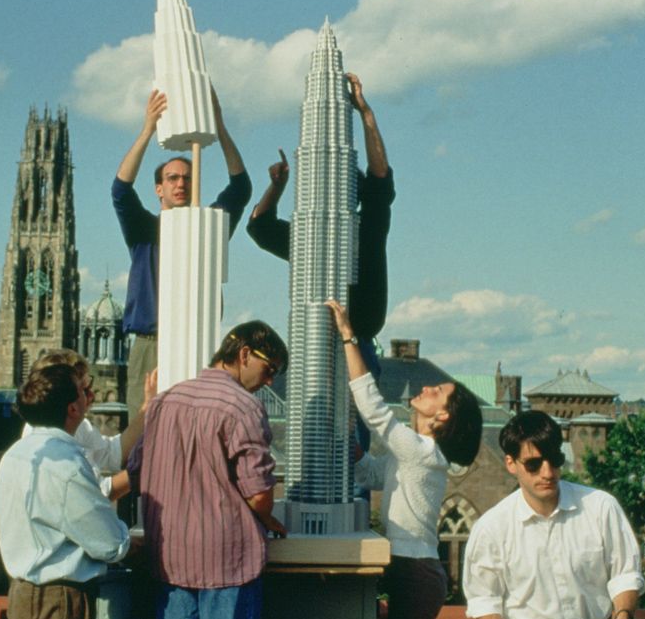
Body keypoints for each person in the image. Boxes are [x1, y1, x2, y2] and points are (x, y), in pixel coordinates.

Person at [327, 299, 482, 619]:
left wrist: (346, 336)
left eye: (439, 392)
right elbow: (371, 474)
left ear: (443, 416)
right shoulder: (416, 454)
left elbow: (375, 412)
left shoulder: (422, 452)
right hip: (410, 572)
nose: (427, 388)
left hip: (413, 573)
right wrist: (348, 444)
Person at [137, 321, 288, 619]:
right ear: (244, 355)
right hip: (226, 561)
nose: (269, 380)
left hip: (170, 556)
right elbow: (257, 493)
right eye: (269, 368)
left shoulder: (166, 401)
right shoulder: (242, 406)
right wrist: (270, 517)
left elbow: (137, 469)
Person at [462, 410, 645, 619]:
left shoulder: (600, 507)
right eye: (533, 464)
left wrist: (623, 616)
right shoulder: (492, 527)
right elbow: (482, 601)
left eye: (554, 460)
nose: (547, 472)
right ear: (511, 464)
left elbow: (625, 573)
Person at [247, 73, 394, 450]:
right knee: (315, 444)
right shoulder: (310, 236)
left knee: (353, 452)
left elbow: (381, 177)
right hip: (316, 344)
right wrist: (277, 187)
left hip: (357, 344)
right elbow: (259, 228)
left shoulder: (369, 222)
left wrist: (365, 113)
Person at [0, 363, 130, 619]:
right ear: (73, 409)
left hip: (24, 592)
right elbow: (108, 543)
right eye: (84, 391)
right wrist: (128, 537)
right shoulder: (67, 464)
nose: (91, 397)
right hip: (58, 599)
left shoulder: (17, 454)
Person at [112, 87, 252, 418]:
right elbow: (120, 190)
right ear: (159, 189)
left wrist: (218, 126)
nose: (180, 184)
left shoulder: (209, 227)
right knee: (145, 433)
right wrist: (147, 129)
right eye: (172, 178)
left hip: (195, 341)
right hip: (152, 344)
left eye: (187, 178)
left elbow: (241, 187)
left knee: (192, 429)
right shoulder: (145, 231)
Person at [20, 349, 155, 500]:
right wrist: (149, 468)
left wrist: (148, 406)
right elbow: (99, 493)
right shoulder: (49, 438)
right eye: (83, 389)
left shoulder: (75, 424)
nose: (91, 395)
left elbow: (112, 453)